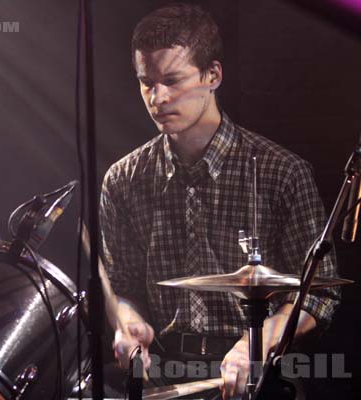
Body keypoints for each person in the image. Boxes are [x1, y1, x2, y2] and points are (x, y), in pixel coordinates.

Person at [99, 3, 340, 399]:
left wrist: (255, 344)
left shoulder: (283, 173)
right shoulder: (123, 181)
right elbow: (121, 285)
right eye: (146, 82)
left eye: (172, 80)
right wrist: (126, 321)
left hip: (257, 370)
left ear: (213, 75)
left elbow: (319, 294)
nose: (157, 97)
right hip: (164, 370)